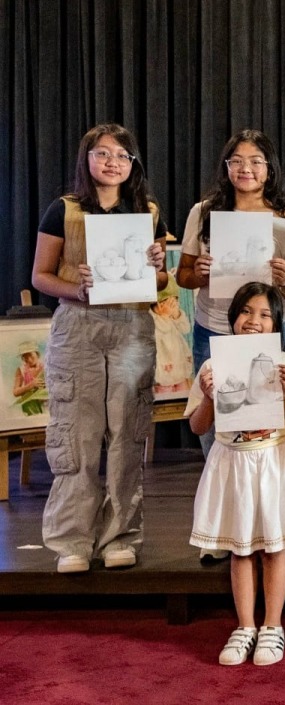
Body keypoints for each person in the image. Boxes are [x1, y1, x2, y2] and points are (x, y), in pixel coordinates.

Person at [31, 123, 168, 574]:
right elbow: (40, 277)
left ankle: (120, 536)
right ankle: (73, 540)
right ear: (86, 159)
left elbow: (160, 285)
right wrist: (78, 289)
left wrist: (157, 268)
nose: (113, 162)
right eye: (103, 153)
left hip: (131, 326)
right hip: (78, 326)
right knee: (78, 432)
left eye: (123, 156)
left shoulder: (146, 212)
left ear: (133, 165)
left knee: (128, 434)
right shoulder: (64, 210)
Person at [186, 283, 285, 666]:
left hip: (274, 461)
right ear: (232, 319)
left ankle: (272, 626)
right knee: (240, 548)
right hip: (234, 463)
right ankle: (245, 626)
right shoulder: (213, 365)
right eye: (246, 312)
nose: (253, 321)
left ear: (277, 323)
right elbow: (197, 426)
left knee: (274, 546)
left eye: (264, 314)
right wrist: (210, 398)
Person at [176, 129, 285, 468]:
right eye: (237, 161)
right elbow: (183, 276)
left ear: (269, 169)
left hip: (269, 332)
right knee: (213, 407)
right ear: (226, 167)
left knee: (269, 409)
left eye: (255, 161)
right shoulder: (203, 213)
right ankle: (219, 477)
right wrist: (200, 274)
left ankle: (266, 481)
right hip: (214, 328)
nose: (245, 168)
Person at [150, 275, 193, 396]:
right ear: (157, 303)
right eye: (166, 302)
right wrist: (164, 316)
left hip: (178, 363)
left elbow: (186, 329)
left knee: (183, 392)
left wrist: (177, 315)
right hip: (164, 366)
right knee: (164, 394)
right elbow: (163, 330)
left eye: (174, 301)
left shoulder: (174, 314)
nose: (172, 306)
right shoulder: (151, 317)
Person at [11, 341, 47, 417]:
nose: (28, 359)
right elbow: (15, 392)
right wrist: (30, 385)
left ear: (37, 354)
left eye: (30, 355)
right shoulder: (21, 370)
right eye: (25, 356)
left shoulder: (46, 368)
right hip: (30, 407)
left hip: (46, 405)